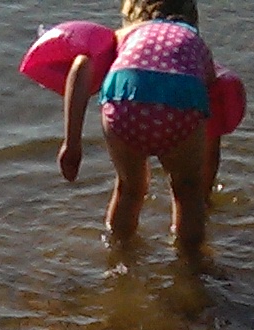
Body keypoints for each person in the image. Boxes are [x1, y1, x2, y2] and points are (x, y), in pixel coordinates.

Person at [57, 0, 221, 257]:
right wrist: (206, 184)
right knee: (186, 190)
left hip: (125, 100)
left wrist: (72, 144)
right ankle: (190, 263)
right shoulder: (194, 40)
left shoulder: (124, 35)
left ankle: (119, 257)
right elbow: (213, 95)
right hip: (181, 105)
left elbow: (81, 66)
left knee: (129, 188)